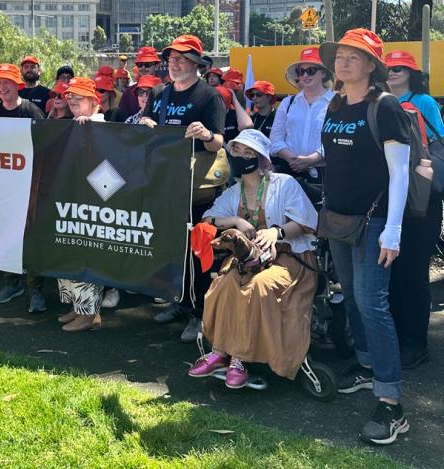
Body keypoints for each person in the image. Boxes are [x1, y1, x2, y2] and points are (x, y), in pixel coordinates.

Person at [319, 28, 411, 445]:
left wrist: (393, 230)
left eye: (353, 56)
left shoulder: (385, 106)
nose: (343, 62)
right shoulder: (336, 103)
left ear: (372, 66)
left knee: (373, 304)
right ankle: (365, 364)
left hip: (374, 222)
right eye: (340, 55)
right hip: (338, 219)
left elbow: (400, 172)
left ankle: (391, 403)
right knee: (353, 297)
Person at [188, 129, 318, 386]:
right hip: (250, 260)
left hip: (289, 257)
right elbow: (208, 218)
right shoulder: (233, 192)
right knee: (225, 283)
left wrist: (276, 232)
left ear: (262, 158)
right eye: (237, 151)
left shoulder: (284, 184)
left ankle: (240, 357)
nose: (242, 156)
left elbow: (307, 222)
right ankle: (220, 352)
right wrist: (235, 220)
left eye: (249, 152)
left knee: (258, 286)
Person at [139, 35, 226, 340]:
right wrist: (145, 125)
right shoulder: (159, 92)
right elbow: (145, 127)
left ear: (196, 63)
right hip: (164, 183)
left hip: (196, 188)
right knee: (171, 250)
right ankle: (180, 302)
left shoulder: (209, 96)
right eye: (171, 59)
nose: (173, 64)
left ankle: (200, 314)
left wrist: (206, 135)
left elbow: (219, 142)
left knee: (197, 253)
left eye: (180, 59)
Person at [384, 50, 443, 369]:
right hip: (389, 196)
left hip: (422, 201)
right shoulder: (380, 101)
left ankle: (415, 344)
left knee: (414, 273)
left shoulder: (424, 102)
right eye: (388, 68)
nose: (393, 72)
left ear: (412, 74)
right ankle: (395, 338)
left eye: (399, 68)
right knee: (391, 274)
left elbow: (437, 144)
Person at [0, 64, 46, 312]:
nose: (2, 87)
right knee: (5, 236)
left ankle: (36, 290)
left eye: (7, 82)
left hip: (31, 187)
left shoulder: (32, 111)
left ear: (17, 85)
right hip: (4, 189)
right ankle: (12, 283)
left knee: (31, 239)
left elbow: (46, 145)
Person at [57, 77, 108, 331]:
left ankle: (90, 314)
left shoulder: (102, 127)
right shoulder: (72, 124)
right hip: (71, 199)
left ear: (94, 100)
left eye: (79, 97)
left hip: (91, 202)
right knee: (69, 251)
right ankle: (77, 307)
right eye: (70, 96)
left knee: (87, 253)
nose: (72, 100)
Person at [270, 47, 334, 180]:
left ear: (323, 73)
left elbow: (338, 139)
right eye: (301, 71)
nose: (305, 75)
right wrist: (292, 159)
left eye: (311, 70)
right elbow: (275, 137)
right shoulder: (287, 102)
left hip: (324, 174)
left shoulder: (337, 103)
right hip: (288, 170)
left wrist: (312, 159)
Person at [118, 46, 162, 116]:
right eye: (139, 64)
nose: (143, 68)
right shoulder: (128, 93)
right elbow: (121, 119)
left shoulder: (165, 91)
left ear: (157, 66)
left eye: (148, 64)